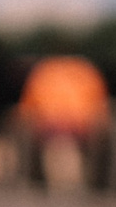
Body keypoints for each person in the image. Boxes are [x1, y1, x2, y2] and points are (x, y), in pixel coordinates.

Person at [16, 53, 109, 193]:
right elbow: (101, 107)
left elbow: (27, 110)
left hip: (59, 130)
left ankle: (65, 190)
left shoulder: (44, 72)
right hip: (75, 130)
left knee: (61, 155)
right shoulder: (86, 70)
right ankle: (70, 189)